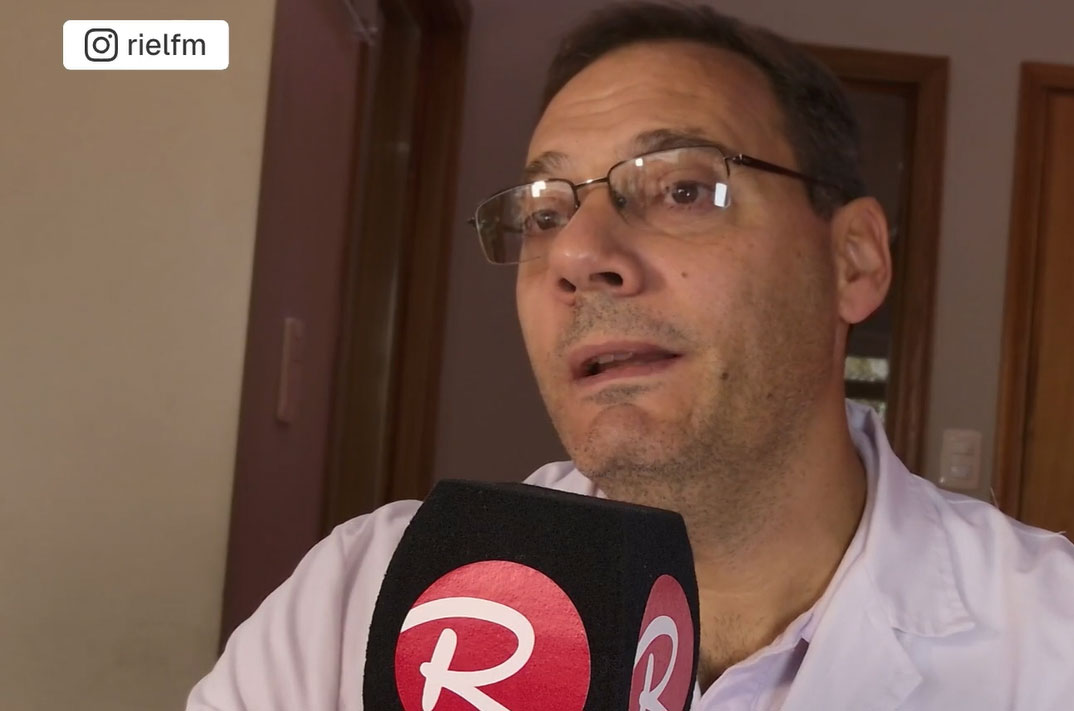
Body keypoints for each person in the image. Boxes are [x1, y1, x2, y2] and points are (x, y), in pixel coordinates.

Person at [187, 3, 1074, 709]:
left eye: (682, 188)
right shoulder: (357, 603)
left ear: (854, 260)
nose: (576, 254)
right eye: (543, 215)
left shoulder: (1051, 642)